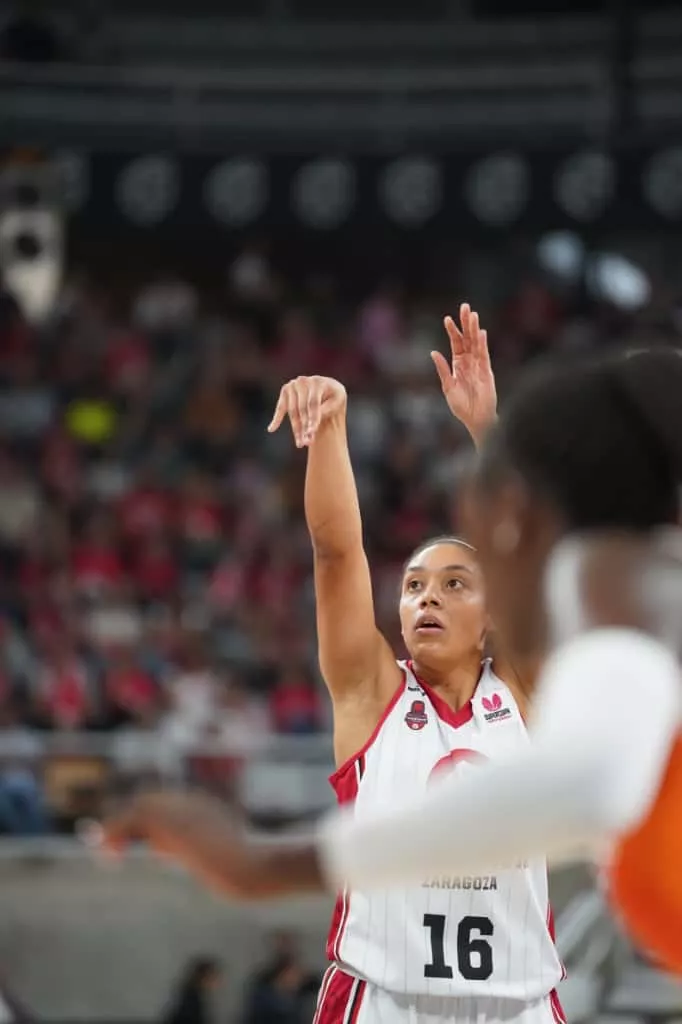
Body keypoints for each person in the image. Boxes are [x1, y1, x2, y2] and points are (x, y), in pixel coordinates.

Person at [99, 344, 682, 981]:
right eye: (412, 586)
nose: (428, 595)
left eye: (459, 578)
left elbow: (592, 783)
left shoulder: (593, 638)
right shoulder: (379, 688)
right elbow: (336, 553)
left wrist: (258, 864)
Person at [162, 956, 221, 1024]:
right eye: (214, 977)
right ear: (204, 978)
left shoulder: (193, 995)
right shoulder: (191, 998)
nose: (218, 982)